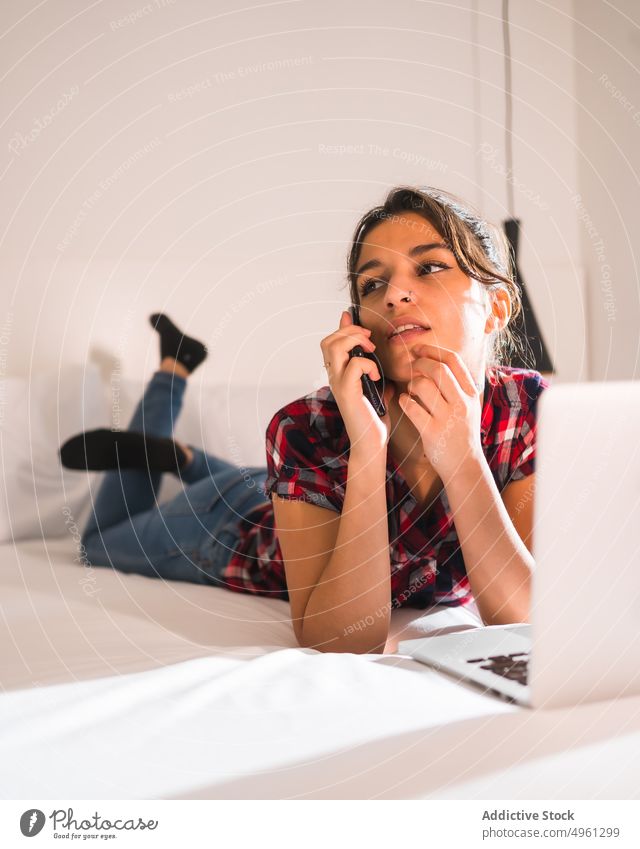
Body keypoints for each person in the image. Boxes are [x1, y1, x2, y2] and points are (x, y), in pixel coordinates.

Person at [61, 186, 549, 655]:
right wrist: (367, 448)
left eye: (430, 266)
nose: (395, 293)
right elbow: (341, 640)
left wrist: (462, 457)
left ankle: (182, 453)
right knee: (95, 543)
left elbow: (524, 618)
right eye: (373, 283)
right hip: (227, 526)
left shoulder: (526, 409)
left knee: (254, 480)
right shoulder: (305, 427)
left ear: (497, 308)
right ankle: (166, 416)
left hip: (282, 487)